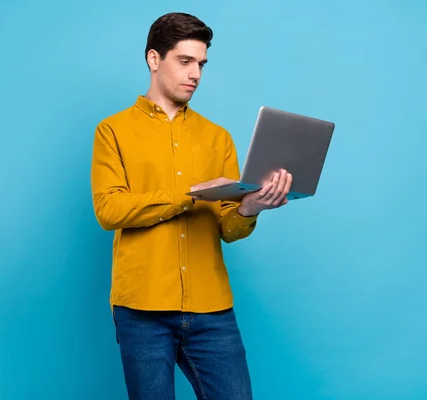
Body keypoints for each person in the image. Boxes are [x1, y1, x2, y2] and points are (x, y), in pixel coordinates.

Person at [90, 12, 292, 400]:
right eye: (185, 61)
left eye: (200, 64)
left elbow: (228, 228)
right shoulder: (112, 131)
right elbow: (109, 209)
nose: (195, 74)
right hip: (142, 309)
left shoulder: (217, 138)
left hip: (211, 308)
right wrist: (191, 196)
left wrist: (251, 207)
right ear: (154, 59)